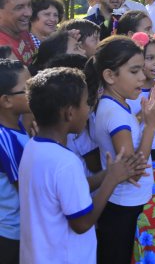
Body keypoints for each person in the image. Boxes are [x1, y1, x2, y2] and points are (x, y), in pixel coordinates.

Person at [19, 67, 147, 264]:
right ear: (70, 113)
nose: (89, 109)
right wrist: (111, 180)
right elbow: (82, 223)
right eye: (86, 103)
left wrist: (109, 173)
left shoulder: (33, 147)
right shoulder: (65, 162)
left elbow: (67, 190)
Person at [85, 36, 155, 264]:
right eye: (134, 71)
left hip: (126, 202)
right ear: (110, 75)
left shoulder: (115, 104)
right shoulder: (114, 114)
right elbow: (132, 171)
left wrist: (143, 117)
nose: (142, 77)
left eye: (141, 69)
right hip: (122, 207)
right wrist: (151, 124)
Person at [0, 60, 31, 264]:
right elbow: (26, 189)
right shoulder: (5, 139)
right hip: (10, 234)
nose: (36, 90)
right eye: (27, 88)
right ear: (7, 100)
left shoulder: (17, 125)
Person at [0, 0, 36, 65]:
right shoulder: (3, 50)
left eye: (29, 5)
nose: (29, 13)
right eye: (19, 7)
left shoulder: (21, 30)